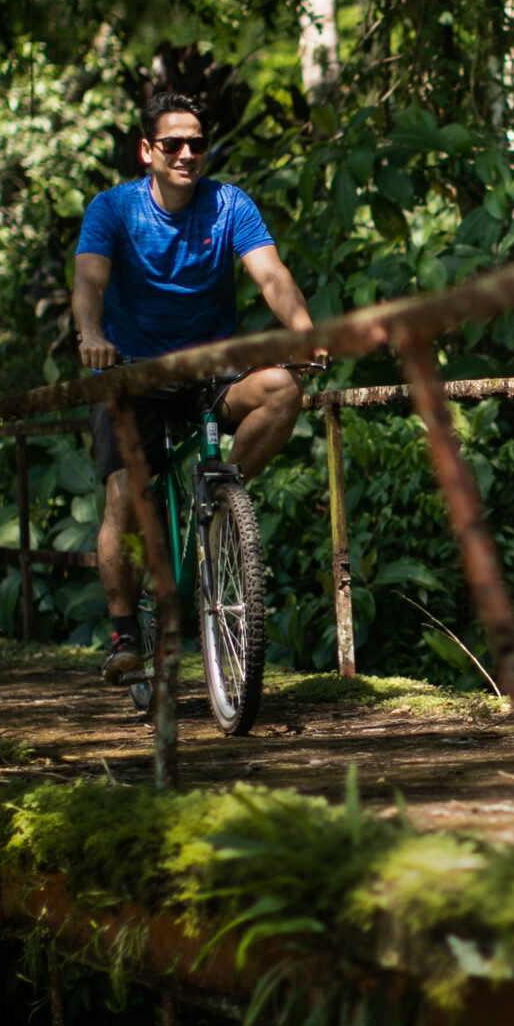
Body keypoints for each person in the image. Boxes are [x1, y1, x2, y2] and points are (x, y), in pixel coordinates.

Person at [72, 91, 322, 683]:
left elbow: (270, 274)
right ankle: (124, 632)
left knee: (282, 390)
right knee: (123, 496)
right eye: (172, 144)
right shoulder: (112, 210)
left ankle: (217, 500)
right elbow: (89, 282)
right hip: (130, 371)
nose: (186, 154)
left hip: (210, 370)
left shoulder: (229, 205)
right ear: (146, 151)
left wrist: (304, 330)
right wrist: (90, 333)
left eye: (197, 144)